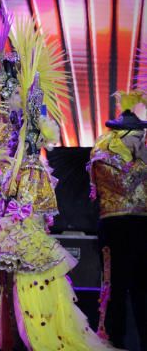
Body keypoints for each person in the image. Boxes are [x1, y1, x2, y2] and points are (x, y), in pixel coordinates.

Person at [0, 17, 116, 350]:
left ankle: (32, 332)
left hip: (22, 197)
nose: (4, 95)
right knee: (6, 273)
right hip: (2, 201)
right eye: (3, 87)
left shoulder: (29, 138)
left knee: (28, 263)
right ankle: (8, 333)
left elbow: (11, 165)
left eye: (9, 88)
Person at [89, 90, 147, 350]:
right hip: (116, 228)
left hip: (142, 227)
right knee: (116, 285)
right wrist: (143, 163)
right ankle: (114, 339)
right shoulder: (102, 156)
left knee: (143, 287)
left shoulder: (139, 157)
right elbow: (124, 184)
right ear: (121, 136)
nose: (141, 140)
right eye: (137, 136)